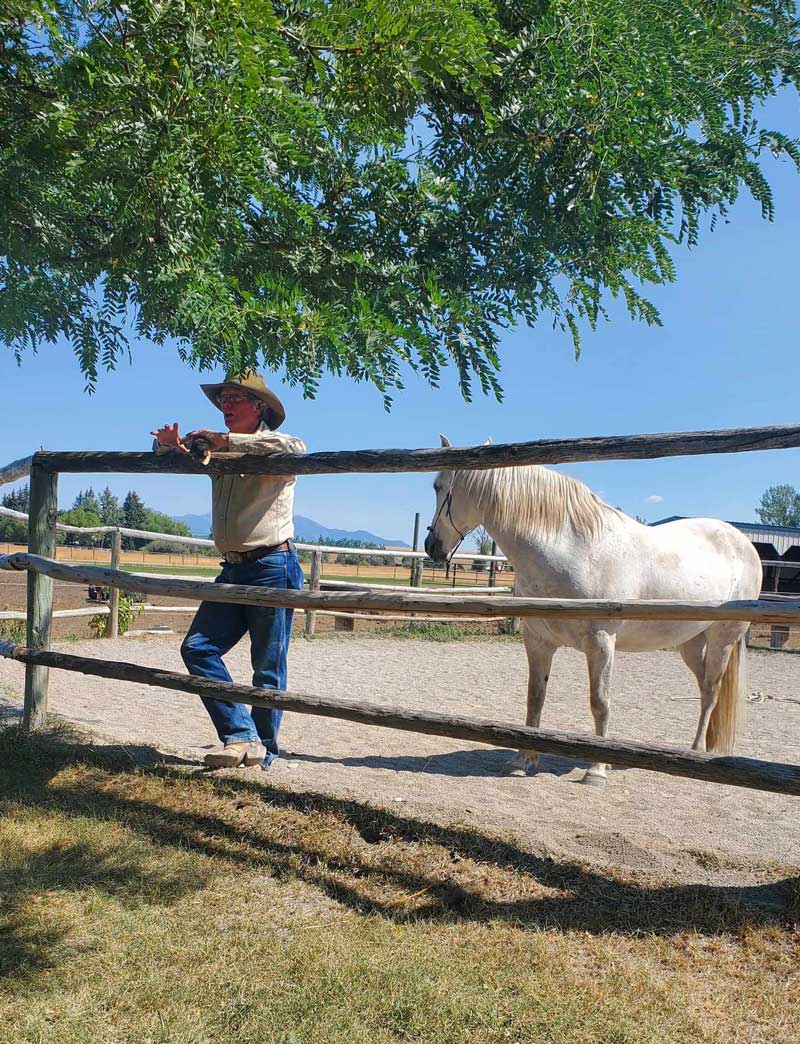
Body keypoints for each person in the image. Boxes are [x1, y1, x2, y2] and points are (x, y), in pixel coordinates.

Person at [150, 371, 305, 769]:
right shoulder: (215, 452)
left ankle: (263, 752)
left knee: (267, 665)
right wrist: (166, 446)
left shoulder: (276, 449)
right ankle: (243, 736)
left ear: (260, 408)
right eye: (223, 399)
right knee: (198, 648)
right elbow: (177, 458)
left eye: (235, 398)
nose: (226, 405)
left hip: (273, 565)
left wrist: (228, 442)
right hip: (235, 569)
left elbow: (297, 447)